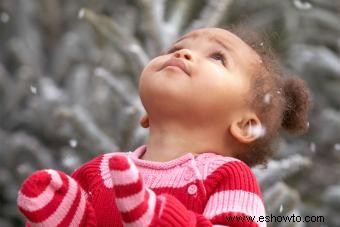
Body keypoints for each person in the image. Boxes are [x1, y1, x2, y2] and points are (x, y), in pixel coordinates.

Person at [17, 27, 311, 227]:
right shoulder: (99, 172)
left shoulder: (230, 177)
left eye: (218, 57)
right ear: (146, 114)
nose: (182, 54)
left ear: (245, 125)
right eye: (177, 47)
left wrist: (158, 216)